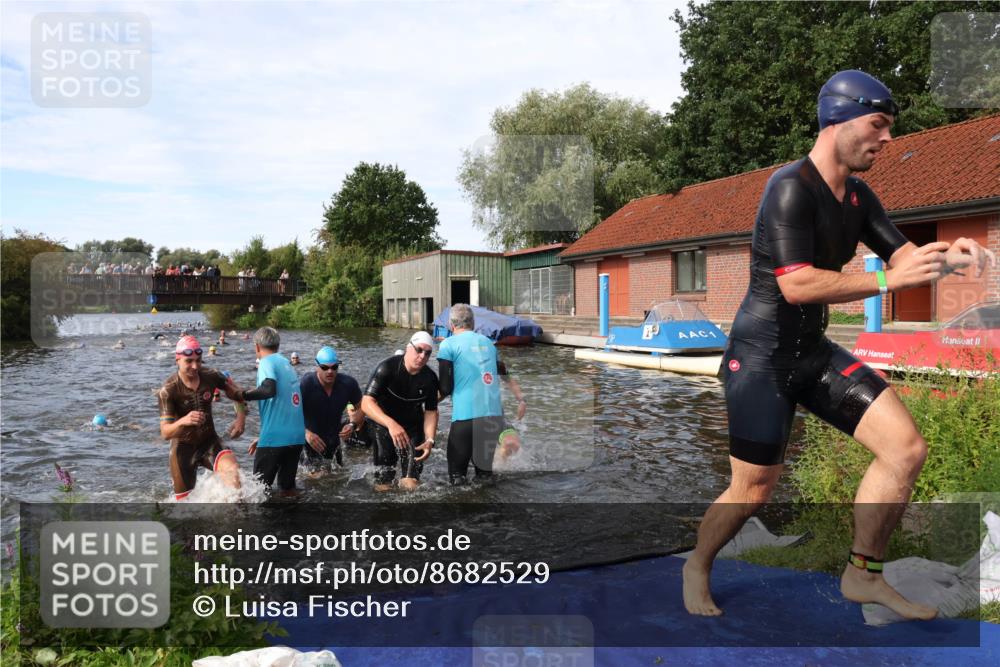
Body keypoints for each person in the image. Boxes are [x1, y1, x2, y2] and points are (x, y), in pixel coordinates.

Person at [682, 70, 997, 620]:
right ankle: (697, 564)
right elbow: (796, 282)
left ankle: (862, 574)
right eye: (879, 124)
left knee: (905, 448)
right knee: (753, 489)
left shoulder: (857, 195)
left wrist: (953, 257)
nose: (888, 139)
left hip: (812, 352)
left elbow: (903, 259)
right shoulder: (789, 188)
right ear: (839, 120)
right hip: (759, 359)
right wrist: (884, 283)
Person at [437, 304, 527, 485]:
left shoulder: (447, 344)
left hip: (465, 417)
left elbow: (445, 388)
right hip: (491, 419)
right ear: (474, 322)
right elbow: (502, 375)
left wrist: (426, 405)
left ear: (450, 324)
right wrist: (521, 399)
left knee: (457, 478)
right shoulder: (488, 343)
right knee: (485, 476)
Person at [157, 335, 248, 501]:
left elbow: (236, 393)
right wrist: (184, 420)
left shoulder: (211, 375)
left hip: (210, 442)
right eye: (189, 361)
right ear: (177, 359)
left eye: (198, 360)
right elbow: (165, 433)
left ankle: (238, 524)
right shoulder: (168, 389)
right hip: (183, 450)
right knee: (186, 508)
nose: (195, 366)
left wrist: (240, 418)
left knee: (235, 480)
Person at [361, 331, 440, 491]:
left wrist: (430, 439)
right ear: (408, 348)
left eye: (428, 353)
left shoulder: (430, 378)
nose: (422, 356)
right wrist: (391, 424)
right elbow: (366, 402)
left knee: (411, 484)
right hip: (384, 425)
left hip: (412, 427)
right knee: (384, 483)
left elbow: (431, 411)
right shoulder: (387, 368)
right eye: (419, 350)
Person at [237, 327, 307, 496]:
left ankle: (262, 522)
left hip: (275, 439)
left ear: (257, 347)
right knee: (287, 489)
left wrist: (242, 395)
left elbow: (269, 390)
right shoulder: (286, 363)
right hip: (296, 438)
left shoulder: (266, 362)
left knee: (259, 492)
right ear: (278, 345)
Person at [299, 346, 365, 472]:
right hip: (309, 443)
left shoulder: (348, 384)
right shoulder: (306, 384)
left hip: (333, 443)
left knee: (337, 480)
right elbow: (290, 413)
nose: (330, 371)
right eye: (325, 367)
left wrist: (352, 424)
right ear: (317, 367)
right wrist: (306, 433)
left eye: (334, 367)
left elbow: (363, 407)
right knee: (313, 482)